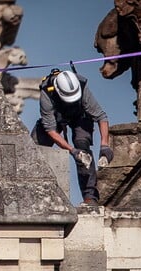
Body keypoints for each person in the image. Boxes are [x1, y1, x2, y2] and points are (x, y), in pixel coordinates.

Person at [31, 69, 113, 206]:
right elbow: (50, 130)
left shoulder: (81, 85)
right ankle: (33, 192)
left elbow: (101, 116)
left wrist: (105, 144)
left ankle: (90, 197)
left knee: (83, 148)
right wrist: (72, 150)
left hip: (80, 117)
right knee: (34, 149)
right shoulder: (47, 92)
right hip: (56, 118)